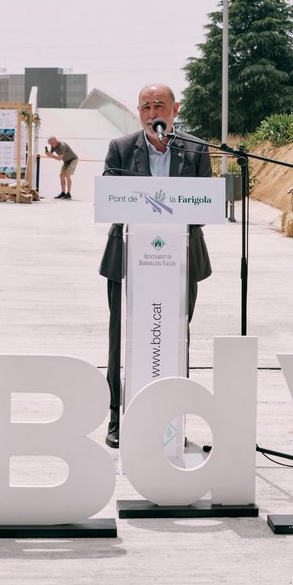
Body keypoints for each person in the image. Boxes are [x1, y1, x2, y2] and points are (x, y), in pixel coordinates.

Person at [98, 83, 212, 447]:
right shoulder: (120, 149)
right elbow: (112, 203)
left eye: (159, 106)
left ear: (174, 110)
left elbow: (203, 207)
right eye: (145, 107)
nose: (152, 114)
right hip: (128, 260)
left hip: (180, 261)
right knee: (121, 339)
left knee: (177, 337)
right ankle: (118, 417)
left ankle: (173, 418)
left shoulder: (195, 149)